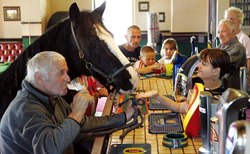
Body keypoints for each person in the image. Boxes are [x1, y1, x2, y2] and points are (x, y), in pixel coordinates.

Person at [0, 51, 136, 154]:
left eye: (67, 72)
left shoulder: (52, 96)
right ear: (40, 78)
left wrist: (124, 117)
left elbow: (80, 123)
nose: (68, 78)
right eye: (61, 73)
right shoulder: (25, 109)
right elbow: (50, 148)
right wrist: (77, 112)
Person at [136, 48, 231, 113]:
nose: (198, 66)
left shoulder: (219, 99)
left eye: (204, 64)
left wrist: (193, 102)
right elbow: (179, 107)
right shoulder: (201, 88)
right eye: (200, 63)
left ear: (216, 71)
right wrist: (156, 95)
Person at [224, 7, 250, 93]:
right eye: (227, 19)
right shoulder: (225, 37)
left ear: (239, 22)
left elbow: (248, 61)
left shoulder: (244, 38)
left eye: (232, 19)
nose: (229, 22)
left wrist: (246, 80)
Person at [217, 19, 247, 90]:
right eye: (218, 32)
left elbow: (222, 66)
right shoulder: (222, 46)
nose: (220, 35)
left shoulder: (238, 48)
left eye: (223, 31)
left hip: (232, 92)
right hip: (222, 88)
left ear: (233, 31)